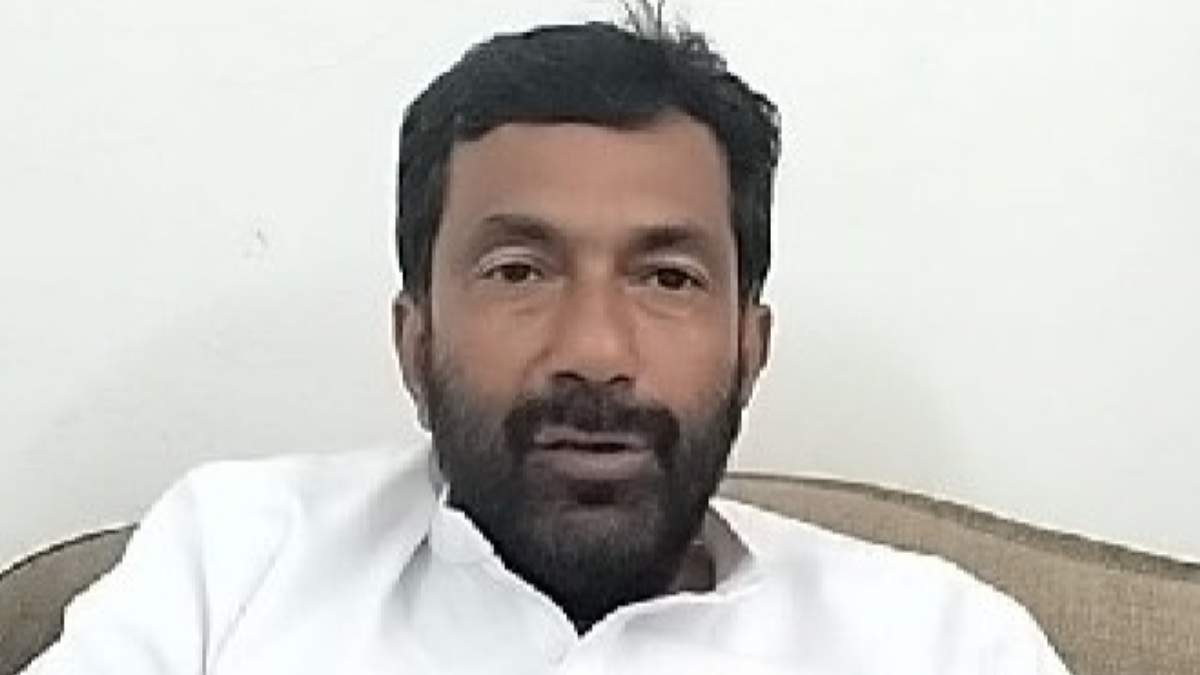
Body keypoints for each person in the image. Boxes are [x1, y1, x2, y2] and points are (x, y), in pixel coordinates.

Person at [25, 4, 1072, 674]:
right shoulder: (231, 562)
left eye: (668, 277)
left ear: (751, 346)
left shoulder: (945, 643)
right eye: (518, 271)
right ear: (414, 339)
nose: (595, 349)